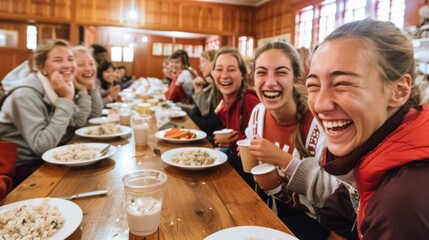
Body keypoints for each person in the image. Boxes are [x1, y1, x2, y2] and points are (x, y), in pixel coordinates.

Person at [306, 18, 429, 239]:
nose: (320, 104)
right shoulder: (374, 153)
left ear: (400, 91)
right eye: (313, 86)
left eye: (343, 84)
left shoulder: (399, 204)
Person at [245, 41, 337, 240]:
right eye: (262, 72)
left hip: (315, 223)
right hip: (274, 209)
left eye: (280, 72)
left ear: (296, 77)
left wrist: (283, 159)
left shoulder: (320, 124)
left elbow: (332, 194)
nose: (270, 82)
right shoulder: (258, 114)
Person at [0, 39, 78, 182]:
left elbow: (75, 123)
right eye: (58, 60)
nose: (67, 65)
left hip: (47, 158)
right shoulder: (25, 94)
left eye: (71, 59)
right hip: (22, 169)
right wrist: (66, 100)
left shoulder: (59, 86)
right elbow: (42, 146)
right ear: (42, 67)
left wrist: (83, 91)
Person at [212, 46, 260, 187]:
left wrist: (230, 146)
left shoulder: (251, 102)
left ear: (243, 74)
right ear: (213, 73)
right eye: (219, 69)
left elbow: (258, 154)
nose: (224, 75)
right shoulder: (227, 102)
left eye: (232, 69)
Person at [189, 49, 222, 145]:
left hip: (213, 141)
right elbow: (204, 112)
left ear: (214, 61)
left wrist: (192, 116)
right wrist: (198, 90)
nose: (200, 66)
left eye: (203, 62)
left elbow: (209, 125)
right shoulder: (210, 86)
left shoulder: (220, 88)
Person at [73, 45, 103, 119]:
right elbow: (78, 122)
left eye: (91, 64)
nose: (88, 69)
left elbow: (95, 116)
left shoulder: (89, 85)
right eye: (80, 64)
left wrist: (92, 87)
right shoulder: (65, 91)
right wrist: (83, 92)